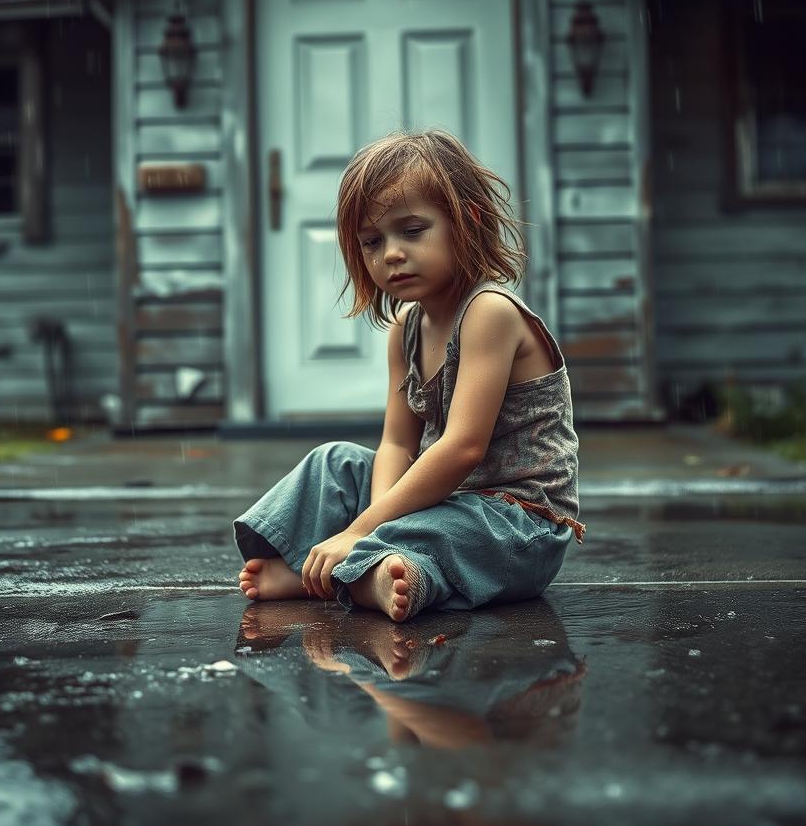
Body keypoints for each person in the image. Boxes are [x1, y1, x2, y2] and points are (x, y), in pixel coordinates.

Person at [234, 129, 584, 622]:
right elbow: (398, 444)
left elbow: (463, 448)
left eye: (412, 231)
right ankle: (372, 569)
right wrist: (378, 523)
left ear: (467, 222)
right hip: (441, 503)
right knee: (334, 463)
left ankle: (347, 575)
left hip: (515, 524)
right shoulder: (405, 327)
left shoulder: (489, 312)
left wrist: (365, 530)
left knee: (453, 528)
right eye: (372, 242)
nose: (390, 254)